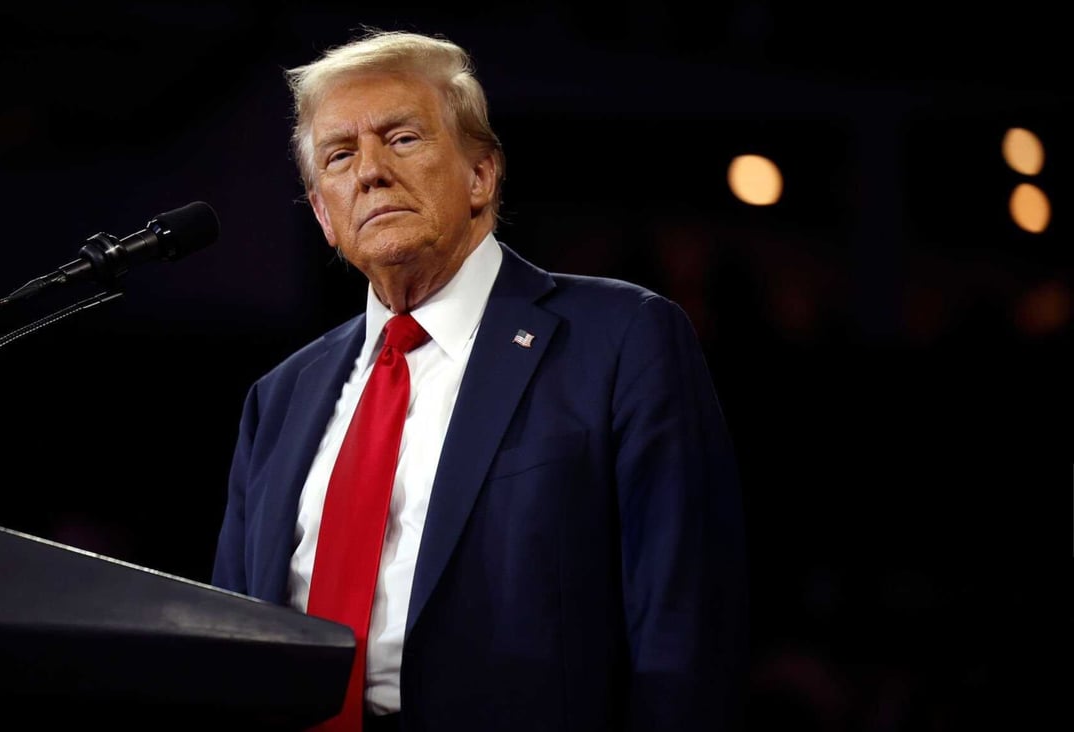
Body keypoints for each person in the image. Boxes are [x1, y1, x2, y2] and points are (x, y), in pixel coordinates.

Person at [211, 28, 747, 732]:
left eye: (401, 139)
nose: (370, 171)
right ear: (323, 217)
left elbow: (685, 624)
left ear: (480, 176)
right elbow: (228, 642)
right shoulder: (280, 398)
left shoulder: (620, 340)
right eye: (340, 156)